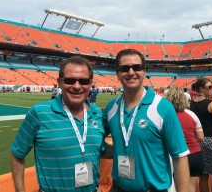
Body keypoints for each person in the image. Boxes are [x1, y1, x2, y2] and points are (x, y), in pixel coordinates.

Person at [10, 56, 105, 192]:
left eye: (83, 81)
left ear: (90, 84)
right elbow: (17, 154)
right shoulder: (39, 113)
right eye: (70, 80)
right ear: (59, 82)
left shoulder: (98, 114)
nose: (77, 86)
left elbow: (101, 149)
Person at [103, 49, 190, 192]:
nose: (131, 72)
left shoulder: (162, 107)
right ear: (117, 73)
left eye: (136, 67)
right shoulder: (111, 107)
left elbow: (180, 157)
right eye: (125, 68)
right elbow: (95, 140)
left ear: (144, 71)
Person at [166, 86, 204, 192]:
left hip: (174, 156)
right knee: (191, 187)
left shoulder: (165, 115)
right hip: (194, 154)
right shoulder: (192, 114)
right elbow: (201, 137)